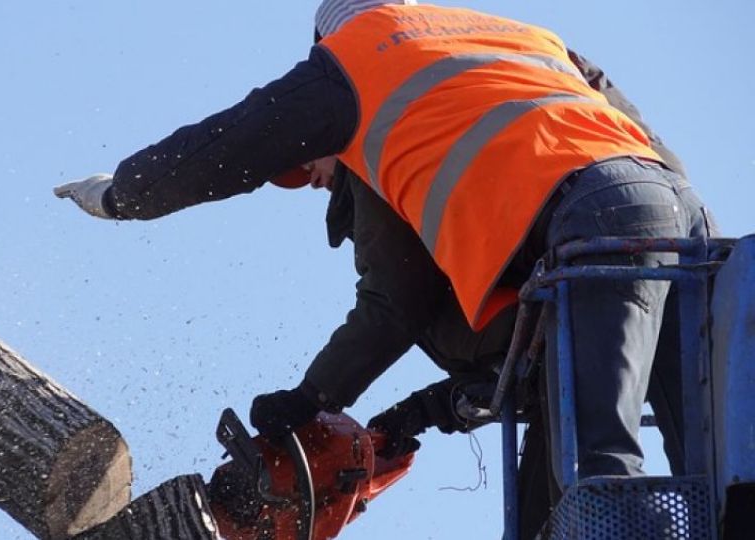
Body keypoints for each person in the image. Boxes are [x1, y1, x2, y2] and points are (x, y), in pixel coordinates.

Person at [56, 0, 715, 500]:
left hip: (593, 226)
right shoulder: (518, 40)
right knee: (712, 469)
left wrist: (123, 194)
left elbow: (228, 147)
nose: (309, 178)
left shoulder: (352, 66)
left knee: (595, 469)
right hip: (679, 224)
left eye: (304, 164)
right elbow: (660, 159)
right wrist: (424, 410)